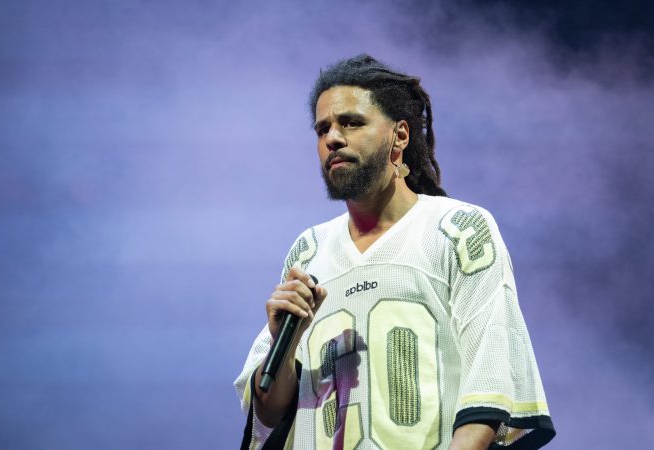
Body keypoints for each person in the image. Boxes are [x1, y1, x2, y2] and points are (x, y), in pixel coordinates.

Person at [235, 54, 555, 450]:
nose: (332, 138)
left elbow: (489, 389)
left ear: (399, 137)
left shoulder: (458, 229)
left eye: (351, 122)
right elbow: (269, 411)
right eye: (322, 129)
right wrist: (284, 344)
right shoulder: (308, 250)